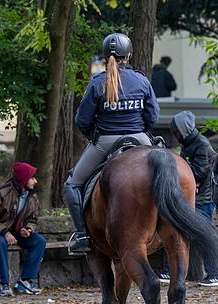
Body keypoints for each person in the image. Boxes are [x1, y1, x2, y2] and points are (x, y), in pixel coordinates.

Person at [66, 33, 160, 255]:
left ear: (106, 54)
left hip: (105, 141)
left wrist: (94, 136)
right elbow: (153, 116)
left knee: (72, 184)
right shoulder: (141, 80)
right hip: (139, 138)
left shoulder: (97, 83)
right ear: (128, 56)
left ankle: (81, 236)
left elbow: (82, 120)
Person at [158, 110, 218, 287]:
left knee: (205, 234)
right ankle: (169, 271)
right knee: (172, 229)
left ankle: (214, 274)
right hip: (190, 196)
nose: (175, 136)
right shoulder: (189, 144)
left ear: (183, 130)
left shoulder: (201, 145)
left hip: (202, 199)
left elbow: (199, 172)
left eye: (176, 132)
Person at [0, 162, 46, 297]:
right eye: (32, 178)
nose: (35, 181)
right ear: (23, 179)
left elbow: (33, 219)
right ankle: (4, 284)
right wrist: (5, 232)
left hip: (17, 232)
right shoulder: (0, 194)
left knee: (39, 241)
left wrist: (27, 228)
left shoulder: (32, 197)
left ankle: (25, 281)